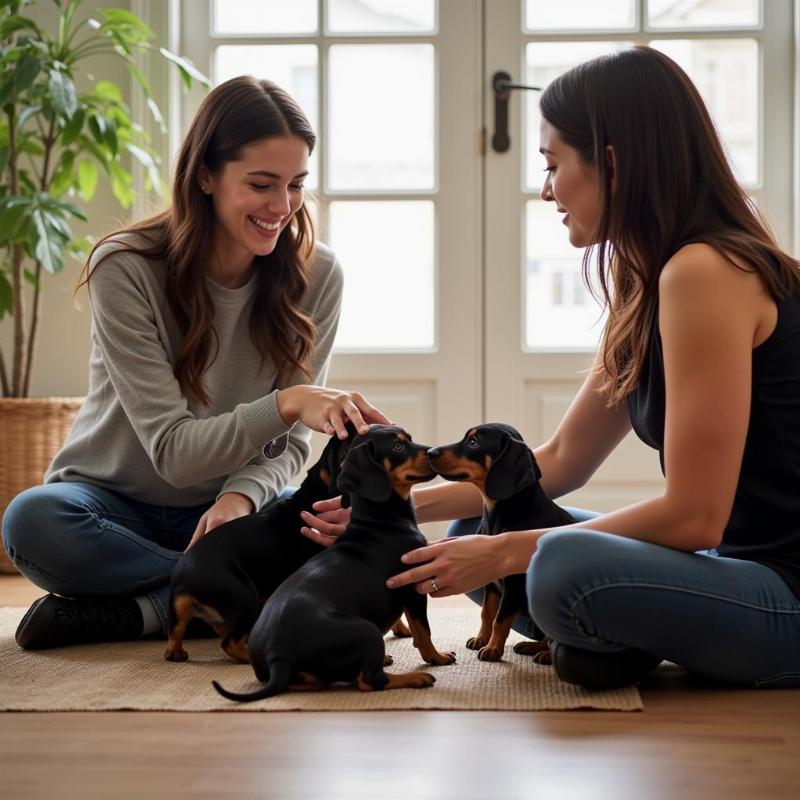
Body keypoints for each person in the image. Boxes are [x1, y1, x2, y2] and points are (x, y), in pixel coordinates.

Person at [302, 46, 800, 690]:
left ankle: (612, 633)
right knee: (478, 520)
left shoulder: (705, 272)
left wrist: (506, 553)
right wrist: (396, 508)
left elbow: (695, 515)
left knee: (551, 561)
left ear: (613, 163)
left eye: (553, 164)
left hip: (781, 592)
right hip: (721, 563)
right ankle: (612, 637)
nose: (545, 189)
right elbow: (561, 458)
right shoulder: (650, 279)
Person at [3, 76, 389, 650]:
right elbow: (174, 455)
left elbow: (286, 451)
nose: (282, 207)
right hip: (111, 508)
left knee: (336, 530)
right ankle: (228, 595)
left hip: (233, 511)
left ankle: (146, 612)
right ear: (205, 175)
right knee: (32, 524)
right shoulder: (127, 267)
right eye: (261, 184)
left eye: (296, 185)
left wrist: (240, 499)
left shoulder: (319, 275)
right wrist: (285, 403)